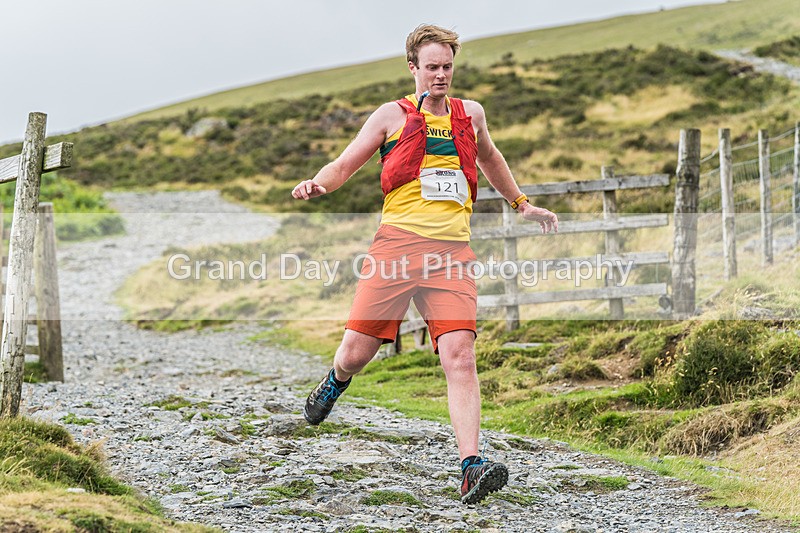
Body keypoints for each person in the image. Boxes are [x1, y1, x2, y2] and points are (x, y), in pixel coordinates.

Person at [292, 24, 558, 504]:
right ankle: (335, 382)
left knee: (461, 356)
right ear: (412, 67)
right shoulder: (390, 116)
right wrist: (318, 183)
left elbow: (492, 160)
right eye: (432, 67)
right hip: (396, 249)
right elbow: (344, 164)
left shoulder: (470, 115)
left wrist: (522, 203)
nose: (441, 75)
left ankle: (470, 466)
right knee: (356, 354)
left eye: (448, 67)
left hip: (452, 255)